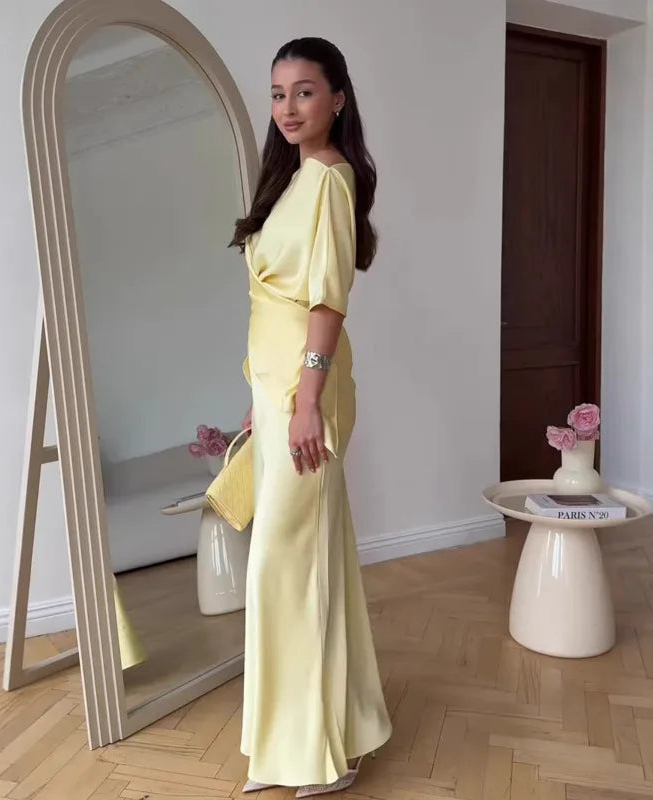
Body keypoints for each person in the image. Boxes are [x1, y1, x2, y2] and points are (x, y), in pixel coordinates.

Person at [228, 36, 392, 797]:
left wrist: (305, 398)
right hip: (278, 389)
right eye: (277, 93)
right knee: (302, 556)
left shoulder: (330, 179)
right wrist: (266, 401)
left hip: (309, 387)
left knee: (287, 563)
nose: (288, 107)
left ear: (337, 99)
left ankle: (322, 746)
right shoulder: (291, 181)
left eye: (303, 91)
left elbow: (327, 297)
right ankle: (320, 734)